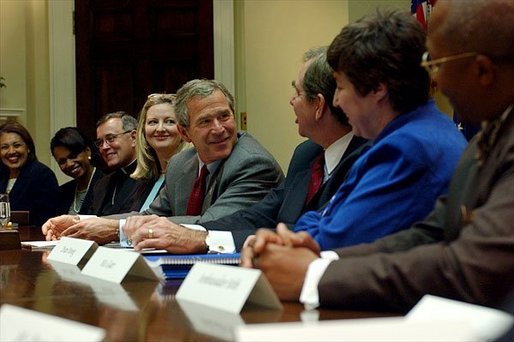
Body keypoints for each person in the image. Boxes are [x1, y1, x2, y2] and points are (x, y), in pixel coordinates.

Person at [242, 1, 514, 313]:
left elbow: (470, 266)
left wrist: (314, 273)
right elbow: (427, 235)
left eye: (437, 64)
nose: (434, 80)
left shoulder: (417, 145)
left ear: (483, 70)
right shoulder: (487, 138)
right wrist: (319, 256)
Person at [43, 79, 284, 249]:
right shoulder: (181, 163)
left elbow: (210, 227)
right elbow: (150, 215)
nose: (219, 129)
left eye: (224, 116)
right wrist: (83, 222)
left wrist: (116, 230)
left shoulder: (252, 163)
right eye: (205, 121)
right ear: (185, 133)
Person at [200, 47, 367, 249]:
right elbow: (261, 214)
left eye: (297, 92)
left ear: (319, 105)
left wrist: (207, 241)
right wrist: (198, 232)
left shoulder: (368, 158)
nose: (291, 100)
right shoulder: (306, 154)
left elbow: (316, 232)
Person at [130, 93, 189, 211]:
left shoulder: (189, 176)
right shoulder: (144, 181)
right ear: (143, 130)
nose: (160, 129)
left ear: (183, 129)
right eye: (153, 122)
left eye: (170, 121)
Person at [0, 121, 60, 226]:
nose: (11, 151)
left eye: (17, 145)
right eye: (4, 147)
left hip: (32, 240)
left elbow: (46, 220)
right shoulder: (2, 176)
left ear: (28, 148)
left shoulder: (42, 174)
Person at [51, 127, 105, 215]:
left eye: (73, 156)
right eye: (62, 161)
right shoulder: (63, 192)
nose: (69, 164)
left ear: (88, 151)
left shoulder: (107, 184)